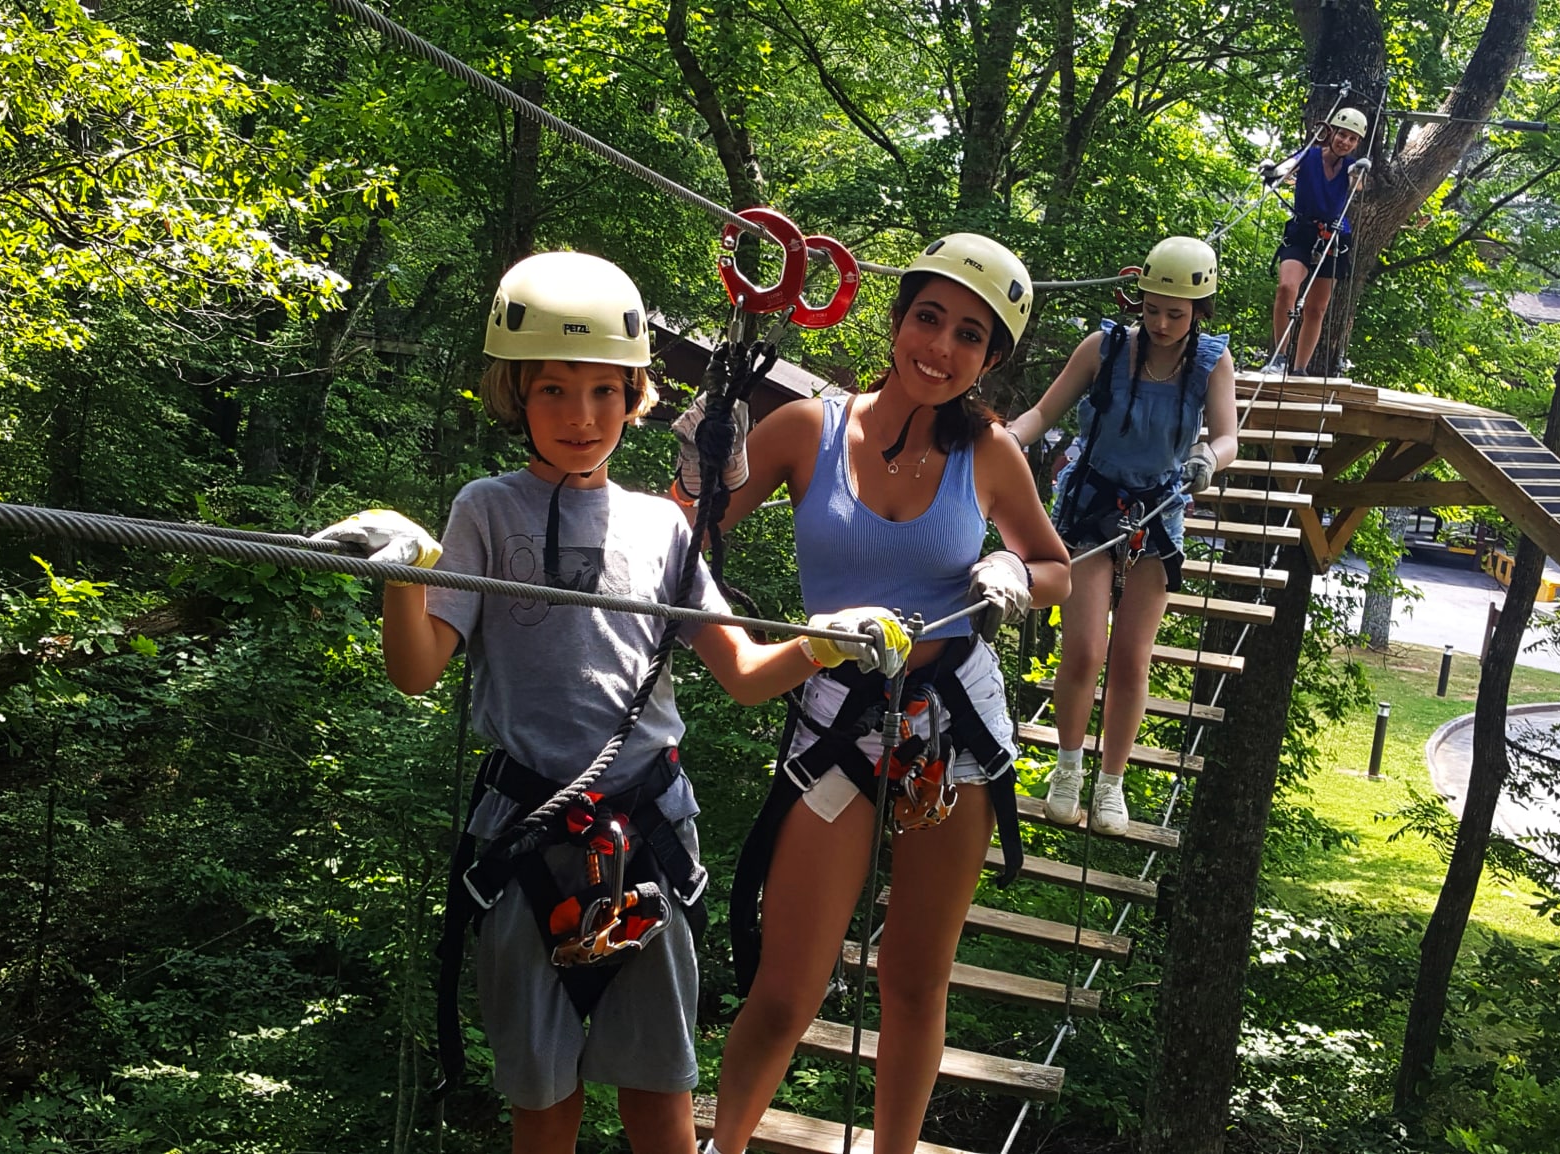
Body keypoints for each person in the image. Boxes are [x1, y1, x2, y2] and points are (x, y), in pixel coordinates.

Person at [314, 251, 911, 1154]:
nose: (581, 417)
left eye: (603, 391)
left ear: (637, 395)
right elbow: (418, 671)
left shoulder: (661, 525)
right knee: (543, 1105)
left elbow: (744, 675)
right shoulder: (485, 509)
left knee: (659, 1103)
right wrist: (407, 576)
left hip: (648, 836)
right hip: (525, 836)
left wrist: (828, 639)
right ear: (516, 395)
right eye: (553, 391)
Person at [686, 234, 1071, 1154]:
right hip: (837, 719)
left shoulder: (988, 455)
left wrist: (1017, 569)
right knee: (785, 991)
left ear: (990, 360)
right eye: (928, 318)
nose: (940, 348)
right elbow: (685, 541)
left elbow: (1058, 564)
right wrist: (704, 463)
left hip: (952, 725)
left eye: (969, 335)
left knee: (913, 981)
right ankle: (722, 1146)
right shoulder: (805, 429)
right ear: (895, 319)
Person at [1005, 236, 1239, 833]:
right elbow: (1040, 414)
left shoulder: (1211, 362)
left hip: (1160, 505)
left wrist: (1209, 458)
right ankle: (1067, 767)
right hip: (1093, 503)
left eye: (1175, 313)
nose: (1161, 323)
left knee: (1133, 658)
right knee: (1084, 649)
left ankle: (1111, 783)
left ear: (1199, 311)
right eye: (1153, 308)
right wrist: (1001, 441)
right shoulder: (1103, 349)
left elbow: (1227, 434)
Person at [1262, 106, 1368, 376]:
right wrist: (1273, 171)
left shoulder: (1351, 167)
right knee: (1287, 287)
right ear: (1331, 133)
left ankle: (1300, 368)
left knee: (1317, 308)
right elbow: (1288, 167)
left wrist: (1359, 172)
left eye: (1352, 139)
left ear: (1357, 143)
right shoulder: (1309, 155)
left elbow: (1356, 185)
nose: (1345, 142)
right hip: (1303, 230)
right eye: (1342, 135)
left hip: (1334, 236)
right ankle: (1278, 358)